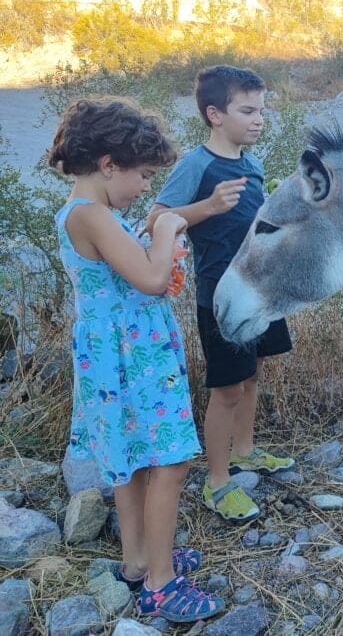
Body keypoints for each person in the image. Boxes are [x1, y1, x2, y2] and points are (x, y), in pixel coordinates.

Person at [49, 97, 224, 622]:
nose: (146, 188)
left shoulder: (89, 214)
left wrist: (153, 239)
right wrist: (168, 227)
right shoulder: (93, 215)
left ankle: (138, 560)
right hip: (134, 358)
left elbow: (133, 274)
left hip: (117, 356)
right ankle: (161, 584)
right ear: (108, 164)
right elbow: (149, 280)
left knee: (131, 462)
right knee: (170, 461)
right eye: (144, 175)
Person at [147, 66, 294, 524]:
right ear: (214, 114)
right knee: (226, 388)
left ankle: (245, 452)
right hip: (221, 296)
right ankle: (216, 483)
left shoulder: (252, 164)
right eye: (247, 110)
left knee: (251, 376)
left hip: (260, 289)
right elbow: (155, 219)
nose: (259, 120)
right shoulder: (197, 164)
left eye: (262, 111)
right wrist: (208, 207)